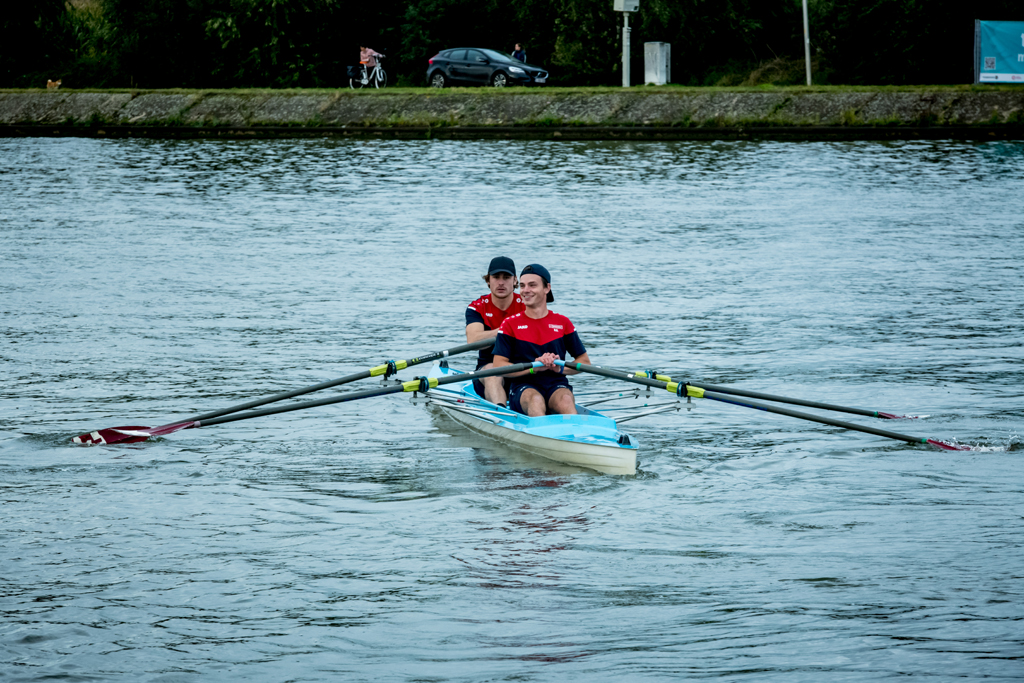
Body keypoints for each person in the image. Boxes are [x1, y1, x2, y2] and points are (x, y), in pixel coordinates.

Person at [492, 264, 591, 417]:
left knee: (565, 400)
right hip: (523, 386)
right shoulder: (509, 324)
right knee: (536, 400)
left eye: (532, 285)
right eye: (522, 286)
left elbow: (584, 362)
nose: (525, 290)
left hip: (556, 384)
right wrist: (534, 368)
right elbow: (499, 366)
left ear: (547, 288)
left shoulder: (563, 323)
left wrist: (559, 368)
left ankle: (572, 430)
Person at [465, 256, 525, 405]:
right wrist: (505, 330)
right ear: (488, 280)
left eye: (506, 277)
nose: (501, 282)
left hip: (522, 369)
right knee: (493, 370)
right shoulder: (477, 307)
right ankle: (500, 411)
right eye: (496, 277)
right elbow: (473, 341)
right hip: (488, 369)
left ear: (515, 281)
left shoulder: (527, 305)